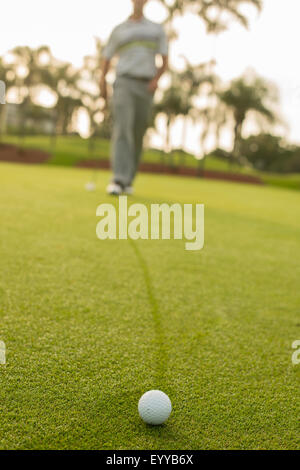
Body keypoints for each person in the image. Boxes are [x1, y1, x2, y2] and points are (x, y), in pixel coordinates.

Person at [100, 0, 168, 195]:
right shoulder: (119, 30)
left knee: (138, 133)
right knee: (123, 128)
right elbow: (106, 58)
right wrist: (102, 82)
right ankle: (119, 179)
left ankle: (128, 179)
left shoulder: (156, 29)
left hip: (145, 86)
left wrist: (156, 79)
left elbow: (164, 60)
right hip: (123, 83)